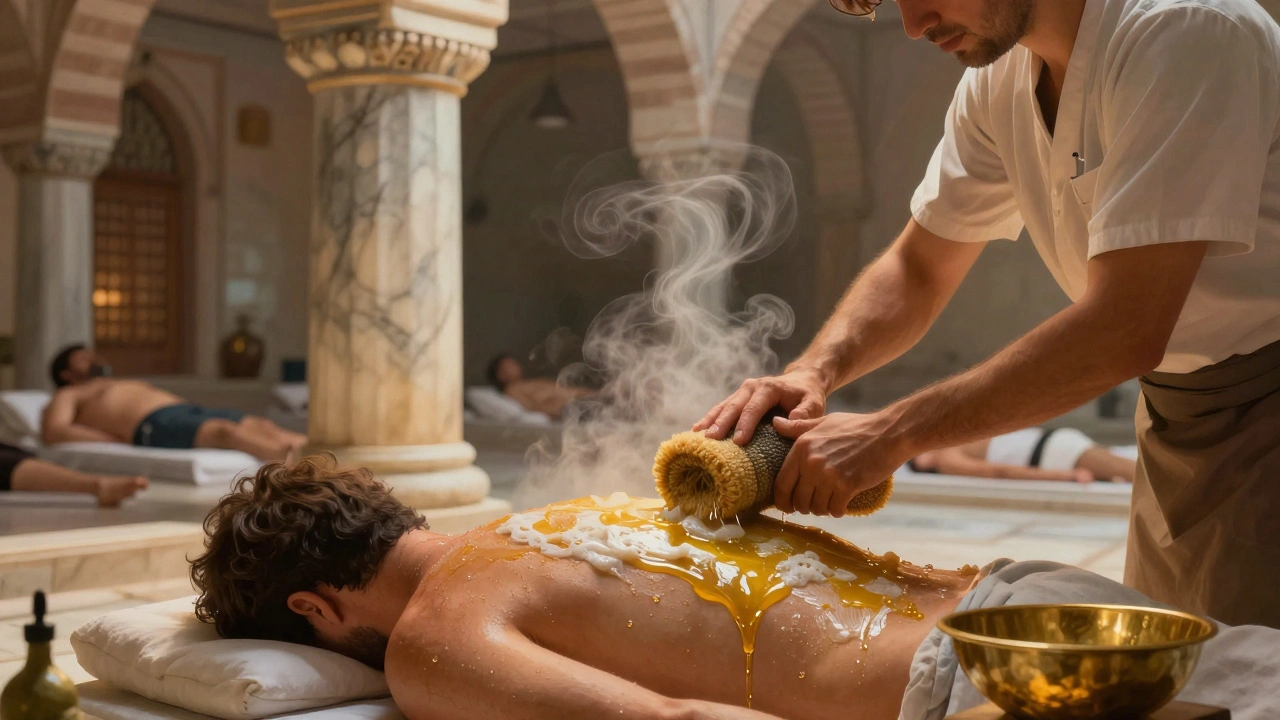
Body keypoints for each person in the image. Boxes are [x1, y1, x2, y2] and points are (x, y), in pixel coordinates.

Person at [699, 0, 1280, 628]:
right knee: (1179, 658)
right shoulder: (997, 83)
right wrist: (813, 371)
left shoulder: (1185, 29)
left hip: (1266, 405)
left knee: (1243, 678)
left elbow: (1125, 328)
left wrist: (892, 432)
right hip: (1175, 415)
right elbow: (919, 268)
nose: (913, 24)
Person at [189, 458, 1280, 720]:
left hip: (977, 688)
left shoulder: (437, 634)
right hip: (1022, 594)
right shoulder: (574, 500)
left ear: (313, 611)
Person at [43, 345, 306, 462]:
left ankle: (332, 457)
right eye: (82, 358)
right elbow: (54, 431)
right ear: (65, 373)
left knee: (263, 425)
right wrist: (113, 440)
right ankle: (308, 468)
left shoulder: (112, 382)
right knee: (227, 433)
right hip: (151, 423)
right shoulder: (68, 394)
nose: (92, 359)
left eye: (91, 354)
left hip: (183, 410)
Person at [908, 426, 1135, 483]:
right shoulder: (946, 458)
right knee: (1132, 471)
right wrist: (1064, 475)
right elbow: (998, 472)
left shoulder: (952, 443)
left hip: (1052, 446)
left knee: (1132, 470)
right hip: (1051, 451)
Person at [0, 442, 147, 506]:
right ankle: (97, 486)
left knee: (17, 453)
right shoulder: (69, 395)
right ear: (67, 376)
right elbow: (55, 430)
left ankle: (97, 486)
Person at [487, 353, 593, 420]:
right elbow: (531, 408)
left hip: (583, 398)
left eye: (513, 363)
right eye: (508, 366)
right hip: (569, 408)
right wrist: (555, 408)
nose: (515, 366)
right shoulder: (512, 390)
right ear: (500, 375)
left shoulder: (534, 382)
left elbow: (568, 391)